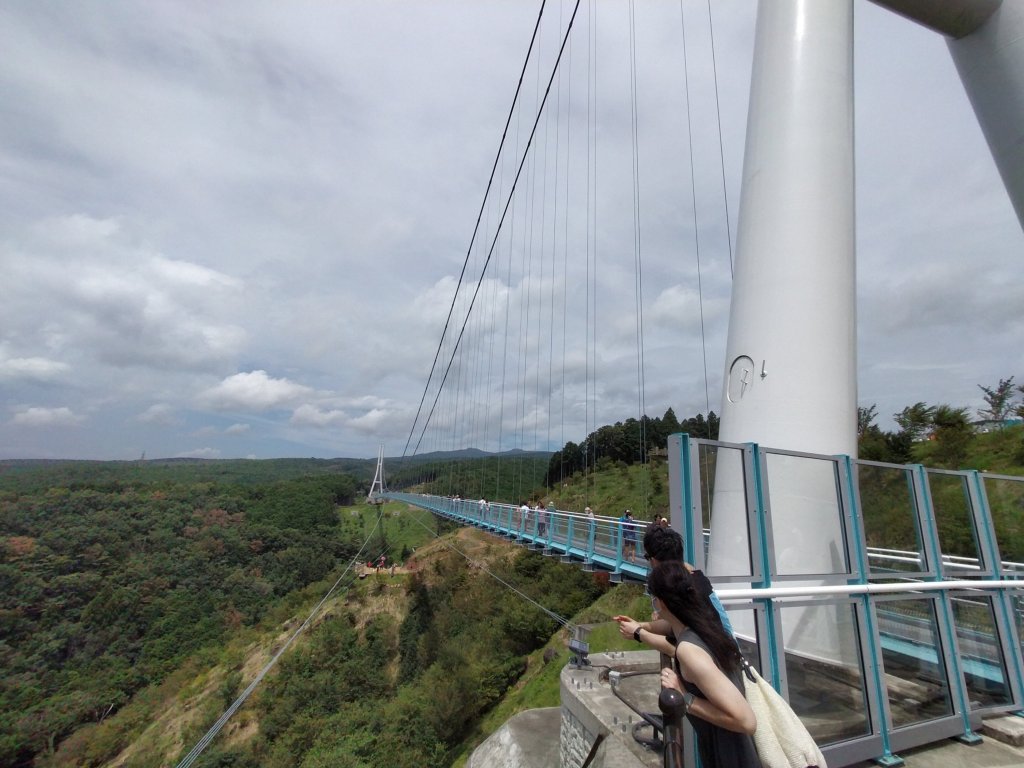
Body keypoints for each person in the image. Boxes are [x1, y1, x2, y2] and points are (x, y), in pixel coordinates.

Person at [616, 562, 758, 767]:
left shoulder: (688, 651)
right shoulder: (703, 625)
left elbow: (746, 721)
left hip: (730, 758)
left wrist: (685, 697)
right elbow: (670, 627)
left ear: (661, 603)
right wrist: (640, 627)